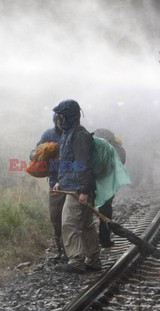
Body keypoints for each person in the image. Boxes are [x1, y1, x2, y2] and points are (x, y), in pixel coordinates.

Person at [52, 99, 101, 274]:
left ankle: (76, 261)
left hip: (78, 189)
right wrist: (61, 182)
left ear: (68, 117)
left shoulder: (79, 135)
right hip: (74, 186)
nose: (58, 118)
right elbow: (69, 162)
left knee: (69, 223)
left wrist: (84, 191)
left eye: (61, 115)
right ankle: (93, 259)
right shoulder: (69, 134)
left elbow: (83, 163)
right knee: (86, 225)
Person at [31, 114, 66, 259]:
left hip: (74, 183)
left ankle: (74, 251)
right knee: (56, 218)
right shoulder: (48, 135)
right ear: (55, 121)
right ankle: (62, 250)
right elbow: (34, 152)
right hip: (55, 184)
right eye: (60, 121)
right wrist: (37, 154)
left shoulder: (74, 135)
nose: (62, 124)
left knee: (73, 220)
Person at [93, 128, 126, 248]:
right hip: (108, 183)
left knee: (85, 213)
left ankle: (87, 244)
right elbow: (121, 163)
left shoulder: (92, 144)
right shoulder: (117, 147)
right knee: (106, 210)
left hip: (91, 181)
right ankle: (105, 239)